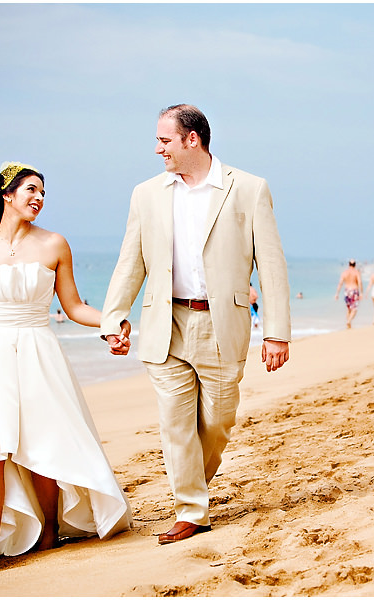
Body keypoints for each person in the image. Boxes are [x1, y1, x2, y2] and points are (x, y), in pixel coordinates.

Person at [100, 105, 291, 545]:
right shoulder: (145, 194)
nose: (156, 149)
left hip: (222, 324)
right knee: (175, 423)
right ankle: (191, 509)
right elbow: (131, 259)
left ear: (193, 140)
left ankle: (193, 490)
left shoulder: (248, 189)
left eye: (164, 141)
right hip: (165, 323)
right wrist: (114, 315)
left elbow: (272, 266)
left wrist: (276, 331)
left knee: (217, 422)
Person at [0, 162, 131, 575]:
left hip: (38, 350)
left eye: (43, 193)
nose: (39, 199)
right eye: (31, 190)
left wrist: (112, 322)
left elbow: (73, 307)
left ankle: (49, 530)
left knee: (44, 444)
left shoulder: (54, 244)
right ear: (7, 194)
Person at [335, 259, 362, 328]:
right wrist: (361, 292)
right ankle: (349, 321)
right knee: (354, 309)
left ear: (349, 264)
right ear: (355, 265)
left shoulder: (344, 272)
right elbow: (359, 282)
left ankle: (348, 325)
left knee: (349, 309)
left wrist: (337, 293)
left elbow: (340, 283)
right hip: (354, 290)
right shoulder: (356, 272)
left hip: (347, 291)